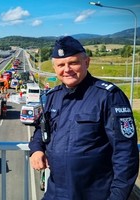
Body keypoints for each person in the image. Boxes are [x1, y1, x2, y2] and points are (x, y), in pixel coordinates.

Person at [29, 36, 139, 200]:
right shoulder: (52, 97)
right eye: (60, 65)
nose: (67, 69)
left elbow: (126, 154)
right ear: (54, 68)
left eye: (73, 62)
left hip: (95, 194)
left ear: (86, 62)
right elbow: (41, 129)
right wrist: (36, 149)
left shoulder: (108, 96)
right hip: (55, 192)